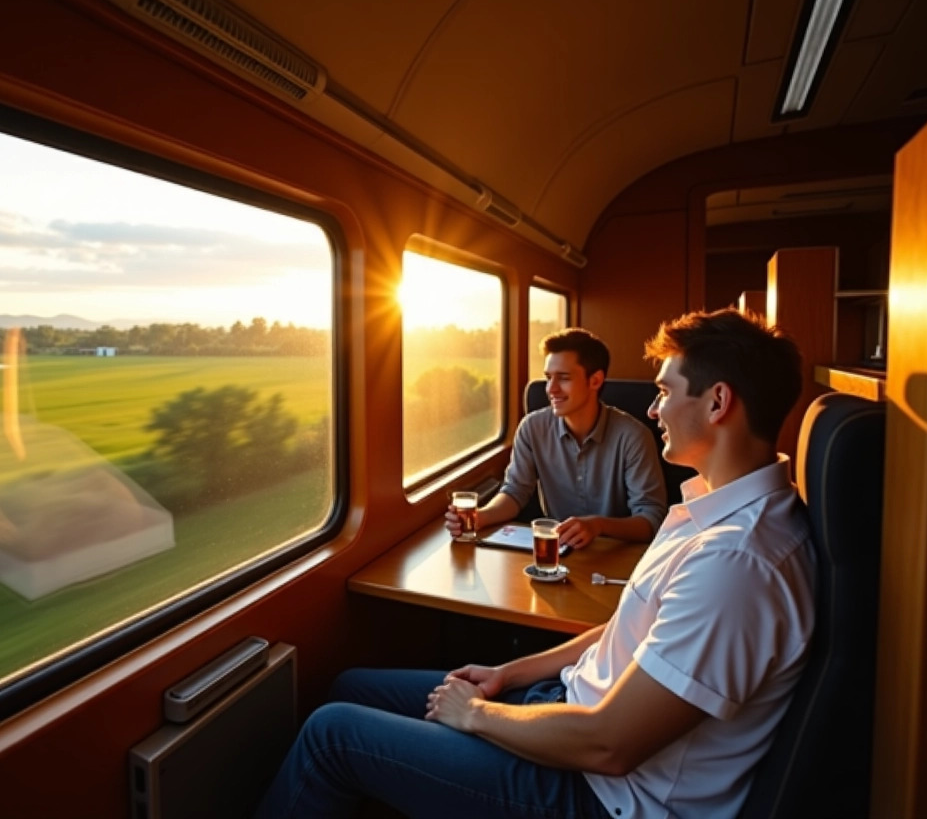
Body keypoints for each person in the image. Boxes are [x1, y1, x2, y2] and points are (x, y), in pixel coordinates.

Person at [254, 309, 813, 819]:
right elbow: (622, 631)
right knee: (352, 686)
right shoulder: (708, 511)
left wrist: (474, 714)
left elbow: (609, 744)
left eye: (665, 391)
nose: (654, 406)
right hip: (573, 704)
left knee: (331, 736)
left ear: (717, 403)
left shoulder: (738, 563)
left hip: (602, 794)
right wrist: (507, 675)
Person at [446, 327, 666, 549]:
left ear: (595, 380)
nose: (551, 389)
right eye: (548, 377)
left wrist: (598, 526)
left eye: (563, 378)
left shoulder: (633, 437)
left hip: (614, 553)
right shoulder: (531, 428)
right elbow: (514, 493)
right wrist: (479, 517)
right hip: (554, 551)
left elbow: (651, 520)